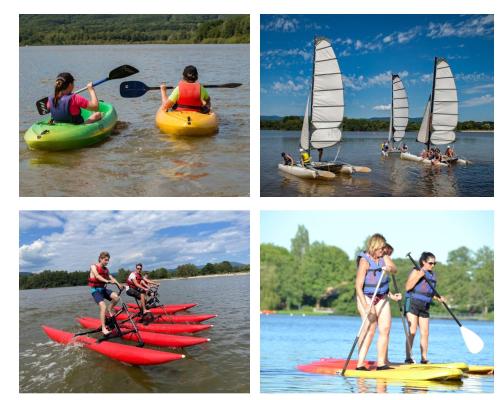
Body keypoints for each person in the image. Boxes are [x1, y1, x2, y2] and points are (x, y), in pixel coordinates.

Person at [355, 234, 401, 371]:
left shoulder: (384, 257)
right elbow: (358, 286)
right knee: (370, 328)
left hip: (381, 296)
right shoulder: (365, 261)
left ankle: (381, 363)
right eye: (381, 249)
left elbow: (395, 269)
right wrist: (366, 305)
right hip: (366, 297)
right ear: (374, 247)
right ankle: (360, 363)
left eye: (383, 249)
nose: (383, 251)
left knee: (385, 328)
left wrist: (389, 268)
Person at [404, 252, 444, 364]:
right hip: (412, 302)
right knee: (412, 331)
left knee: (425, 332)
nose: (433, 265)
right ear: (423, 262)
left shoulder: (432, 275)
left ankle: (424, 358)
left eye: (434, 263)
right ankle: (408, 358)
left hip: (425, 305)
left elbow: (429, 292)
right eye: (430, 263)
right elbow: (407, 287)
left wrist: (438, 297)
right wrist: (418, 276)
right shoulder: (416, 271)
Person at [88, 251, 123, 335]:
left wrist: (118, 284)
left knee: (116, 297)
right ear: (100, 259)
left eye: (108, 260)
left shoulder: (106, 269)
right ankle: (103, 328)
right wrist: (107, 281)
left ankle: (110, 309)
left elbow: (111, 277)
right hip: (95, 290)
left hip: (103, 289)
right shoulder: (93, 266)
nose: (107, 262)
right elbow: (97, 276)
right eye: (105, 260)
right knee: (103, 306)